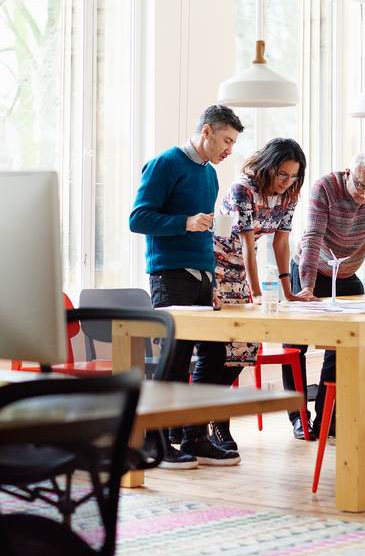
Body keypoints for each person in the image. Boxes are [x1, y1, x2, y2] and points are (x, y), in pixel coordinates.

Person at [129, 104, 244, 468]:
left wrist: (212, 279)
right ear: (206, 131)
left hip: (202, 278)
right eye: (226, 140)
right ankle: (157, 443)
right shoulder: (165, 163)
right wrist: (186, 221)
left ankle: (195, 436)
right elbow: (138, 218)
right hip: (170, 276)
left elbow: (204, 230)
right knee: (174, 360)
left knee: (212, 356)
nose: (230, 150)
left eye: (234, 143)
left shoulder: (210, 175)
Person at [284, 151, 365, 440]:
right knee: (295, 346)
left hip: (346, 274)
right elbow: (312, 237)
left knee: (342, 346)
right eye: (361, 186)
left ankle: (327, 418)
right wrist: (307, 287)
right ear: (347, 173)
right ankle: (299, 418)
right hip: (311, 269)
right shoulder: (325, 188)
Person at [209, 137, 309, 451]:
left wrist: (288, 291)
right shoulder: (243, 189)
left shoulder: (289, 194)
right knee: (223, 351)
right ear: (268, 167)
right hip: (219, 267)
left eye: (294, 176)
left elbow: (280, 243)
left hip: (245, 270)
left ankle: (207, 411)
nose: (287, 181)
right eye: (282, 174)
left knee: (246, 348)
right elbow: (249, 246)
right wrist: (255, 293)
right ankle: (215, 423)